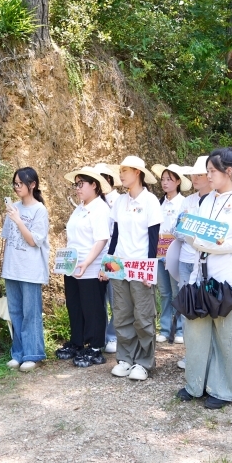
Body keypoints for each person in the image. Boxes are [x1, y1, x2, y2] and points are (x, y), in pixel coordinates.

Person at [176, 148, 232, 409]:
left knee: (225, 334)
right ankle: (196, 385)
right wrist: (189, 234)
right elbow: (197, 237)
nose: (208, 176)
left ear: (228, 171)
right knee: (196, 331)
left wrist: (214, 247)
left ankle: (224, 390)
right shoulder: (207, 200)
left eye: (212, 171)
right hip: (201, 277)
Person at [101, 155, 162, 381]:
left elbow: (154, 240)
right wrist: (107, 265)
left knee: (143, 315)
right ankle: (125, 358)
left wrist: (149, 271)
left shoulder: (150, 201)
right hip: (120, 266)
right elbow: (114, 237)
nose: (121, 174)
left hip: (140, 267)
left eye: (125, 170)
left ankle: (144, 362)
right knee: (122, 314)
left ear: (137, 172)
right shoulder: (120, 201)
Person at [56, 167, 112, 367]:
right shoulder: (79, 208)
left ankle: (95, 346)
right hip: (73, 266)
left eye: (81, 184)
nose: (77, 189)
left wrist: (87, 262)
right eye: (76, 185)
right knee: (75, 305)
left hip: (91, 266)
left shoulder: (100, 209)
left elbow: (101, 240)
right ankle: (77, 342)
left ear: (94, 185)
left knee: (93, 308)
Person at [1, 167, 50, 372]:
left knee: (31, 312)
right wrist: (3, 264)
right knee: (15, 312)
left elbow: (32, 241)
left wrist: (19, 220)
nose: (16, 187)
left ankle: (33, 353)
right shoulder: (13, 207)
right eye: (15, 183)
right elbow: (6, 239)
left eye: (20, 183)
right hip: (12, 268)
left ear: (32, 185)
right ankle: (18, 353)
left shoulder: (40, 210)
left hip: (30, 270)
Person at [172, 156, 212, 369]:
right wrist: (189, 230)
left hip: (207, 262)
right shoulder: (188, 201)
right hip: (186, 259)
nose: (194, 178)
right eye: (193, 174)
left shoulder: (217, 200)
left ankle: (206, 355)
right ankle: (191, 355)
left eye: (200, 174)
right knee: (187, 308)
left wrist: (192, 228)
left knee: (206, 308)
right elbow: (177, 230)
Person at [151, 163, 190, 343]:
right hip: (158, 251)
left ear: (178, 182)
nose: (165, 183)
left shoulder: (184, 203)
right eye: (163, 179)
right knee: (164, 292)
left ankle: (180, 329)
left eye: (169, 179)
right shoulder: (158, 202)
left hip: (175, 252)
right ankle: (165, 329)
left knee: (177, 291)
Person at [93, 162, 121, 354]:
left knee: (115, 298)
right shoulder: (91, 201)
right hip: (96, 256)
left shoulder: (118, 200)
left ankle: (113, 335)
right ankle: (100, 335)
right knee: (98, 299)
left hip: (113, 255)